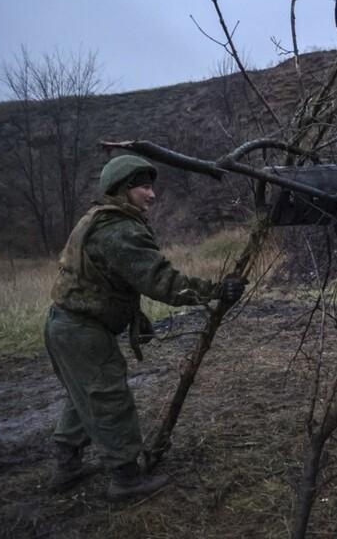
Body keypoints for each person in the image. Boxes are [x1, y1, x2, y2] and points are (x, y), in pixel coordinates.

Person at [44, 154, 244, 501]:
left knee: (84, 394)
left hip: (65, 324)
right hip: (81, 330)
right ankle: (126, 478)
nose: (152, 195)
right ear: (123, 190)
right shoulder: (119, 230)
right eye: (144, 187)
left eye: (151, 186)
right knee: (108, 398)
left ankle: (67, 464)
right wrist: (216, 292)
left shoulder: (99, 219)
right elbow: (161, 281)